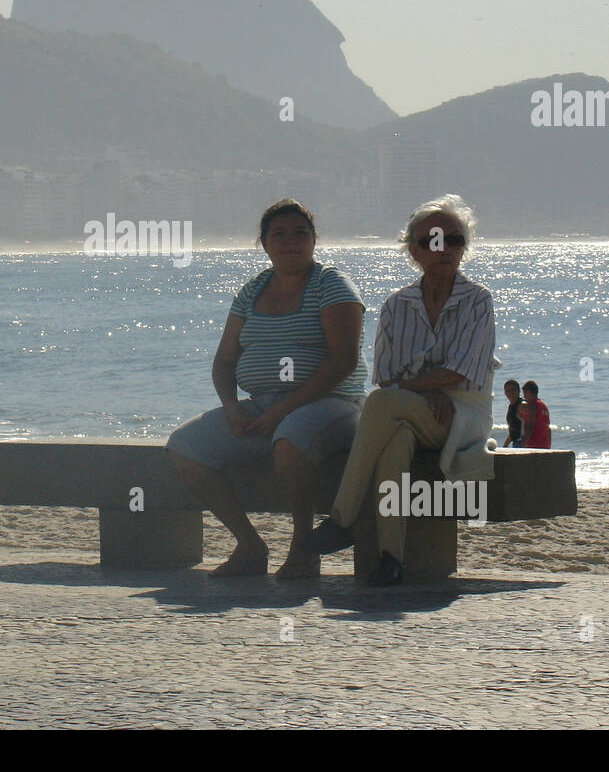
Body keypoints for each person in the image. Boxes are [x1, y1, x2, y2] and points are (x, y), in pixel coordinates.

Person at [300, 194, 499, 586]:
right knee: (395, 441)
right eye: (432, 241)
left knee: (383, 403)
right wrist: (425, 391)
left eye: (454, 239)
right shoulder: (397, 305)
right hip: (410, 408)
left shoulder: (478, 301)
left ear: (464, 247)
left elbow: (461, 370)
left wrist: (420, 388)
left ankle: (342, 517)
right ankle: (391, 558)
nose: (444, 249)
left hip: (462, 415)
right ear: (413, 250)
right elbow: (385, 373)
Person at [166, 199, 368, 578]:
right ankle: (249, 545)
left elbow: (344, 359)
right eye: (280, 234)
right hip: (265, 406)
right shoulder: (252, 290)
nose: (290, 242)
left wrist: (287, 408)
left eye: (300, 233)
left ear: (314, 239)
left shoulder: (332, 285)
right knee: (185, 447)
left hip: (332, 403)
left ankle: (303, 548)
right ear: (263, 242)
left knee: (291, 437)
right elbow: (225, 360)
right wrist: (230, 406)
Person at [519, 380, 551, 448]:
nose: (524, 396)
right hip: (545, 443)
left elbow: (530, 427)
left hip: (534, 444)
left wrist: (522, 445)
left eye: (525, 393)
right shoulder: (543, 406)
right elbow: (548, 428)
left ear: (530, 392)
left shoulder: (532, 405)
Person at [502, 378, 523, 447]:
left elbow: (516, 430)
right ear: (505, 393)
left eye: (513, 390)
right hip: (516, 442)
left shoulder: (522, 406)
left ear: (519, 391)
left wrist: (505, 445)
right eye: (508, 391)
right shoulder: (512, 406)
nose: (511, 393)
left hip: (524, 442)